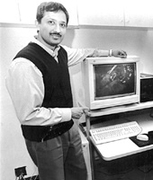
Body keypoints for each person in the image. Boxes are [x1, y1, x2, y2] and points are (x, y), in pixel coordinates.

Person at [5, 2, 127, 180]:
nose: (58, 30)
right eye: (51, 22)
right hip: (45, 138)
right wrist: (70, 112)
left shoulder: (60, 52)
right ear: (37, 23)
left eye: (62, 25)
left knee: (79, 175)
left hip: (69, 130)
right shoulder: (25, 63)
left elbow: (83, 53)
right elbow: (29, 115)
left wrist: (109, 52)